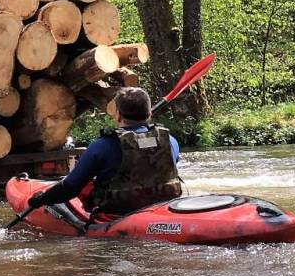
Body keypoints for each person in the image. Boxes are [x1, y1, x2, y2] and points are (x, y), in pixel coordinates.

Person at [26, 86, 183, 218]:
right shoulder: (170, 141)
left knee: (88, 185)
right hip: (161, 209)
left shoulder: (103, 146)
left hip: (117, 214)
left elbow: (69, 189)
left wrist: (42, 199)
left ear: (118, 115)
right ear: (150, 114)